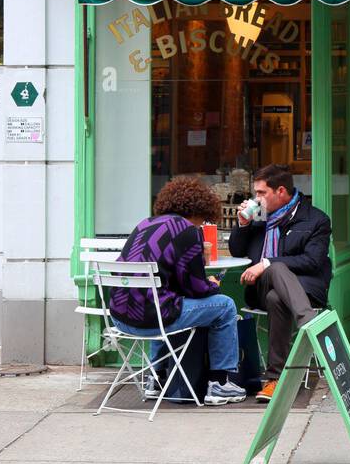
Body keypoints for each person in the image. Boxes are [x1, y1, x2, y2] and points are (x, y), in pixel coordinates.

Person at [110, 176, 247, 405]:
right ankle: (219, 384)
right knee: (225, 306)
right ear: (200, 208)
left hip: (120, 318)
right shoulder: (188, 231)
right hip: (153, 320)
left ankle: (156, 378)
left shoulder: (145, 224)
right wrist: (213, 284)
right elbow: (196, 288)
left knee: (158, 299)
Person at [230, 163, 333, 404]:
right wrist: (243, 226)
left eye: (261, 193)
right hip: (259, 288)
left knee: (277, 297)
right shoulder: (258, 217)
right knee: (274, 270)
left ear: (281, 191)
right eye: (255, 193)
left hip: (304, 289)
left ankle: (274, 379)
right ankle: (310, 324)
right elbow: (236, 250)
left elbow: (313, 261)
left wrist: (267, 263)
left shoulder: (315, 220)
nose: (256, 198)